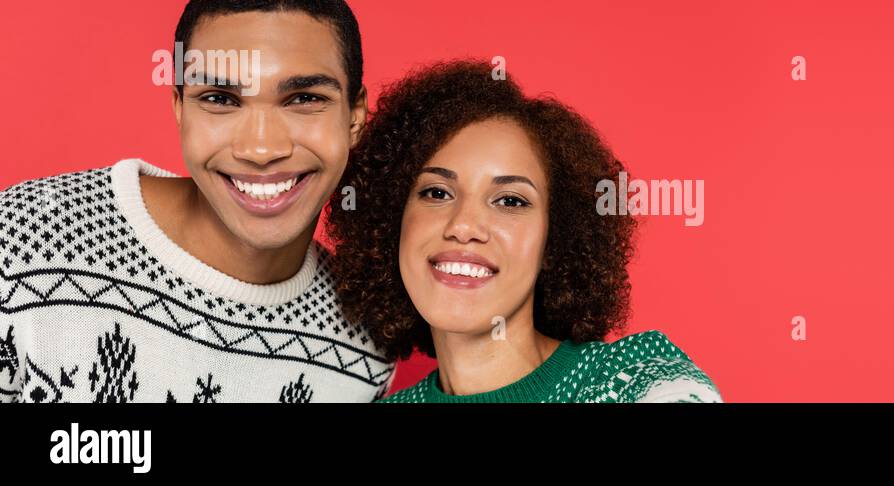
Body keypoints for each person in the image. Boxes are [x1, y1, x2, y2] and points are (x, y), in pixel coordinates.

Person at [0, 0, 393, 403]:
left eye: (304, 99)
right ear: (179, 108)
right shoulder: (23, 240)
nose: (261, 148)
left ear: (354, 116)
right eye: (221, 99)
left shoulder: (364, 344)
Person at [328, 60, 721, 403]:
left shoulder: (634, 381)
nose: (463, 226)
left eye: (510, 201)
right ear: (393, 220)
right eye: (436, 192)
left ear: (555, 240)